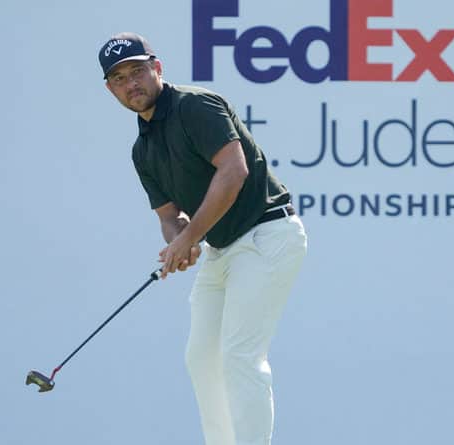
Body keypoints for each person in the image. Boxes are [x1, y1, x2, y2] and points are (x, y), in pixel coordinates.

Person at [98, 32, 308, 445]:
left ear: (157, 68)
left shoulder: (195, 105)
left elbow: (234, 171)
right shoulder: (142, 150)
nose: (131, 84)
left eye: (138, 71)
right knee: (202, 358)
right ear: (110, 89)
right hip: (223, 248)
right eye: (120, 78)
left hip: (268, 232)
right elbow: (169, 215)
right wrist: (180, 241)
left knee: (239, 355)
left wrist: (189, 236)